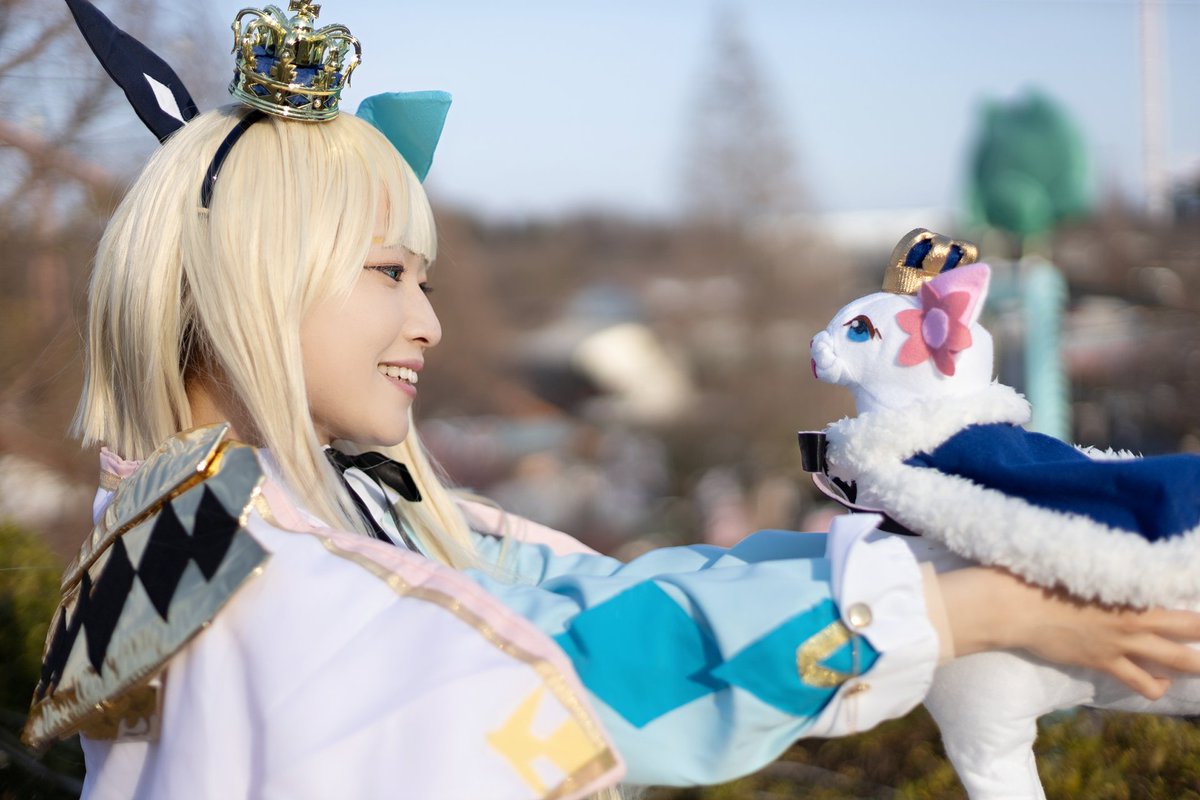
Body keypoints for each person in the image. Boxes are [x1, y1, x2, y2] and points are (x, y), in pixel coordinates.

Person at [24, 2, 1200, 798]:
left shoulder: (223, 520)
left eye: (424, 279)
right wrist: (948, 611)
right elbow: (567, 673)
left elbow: (589, 596)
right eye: (389, 272)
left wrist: (926, 577)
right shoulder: (268, 564)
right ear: (248, 279)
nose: (429, 322)